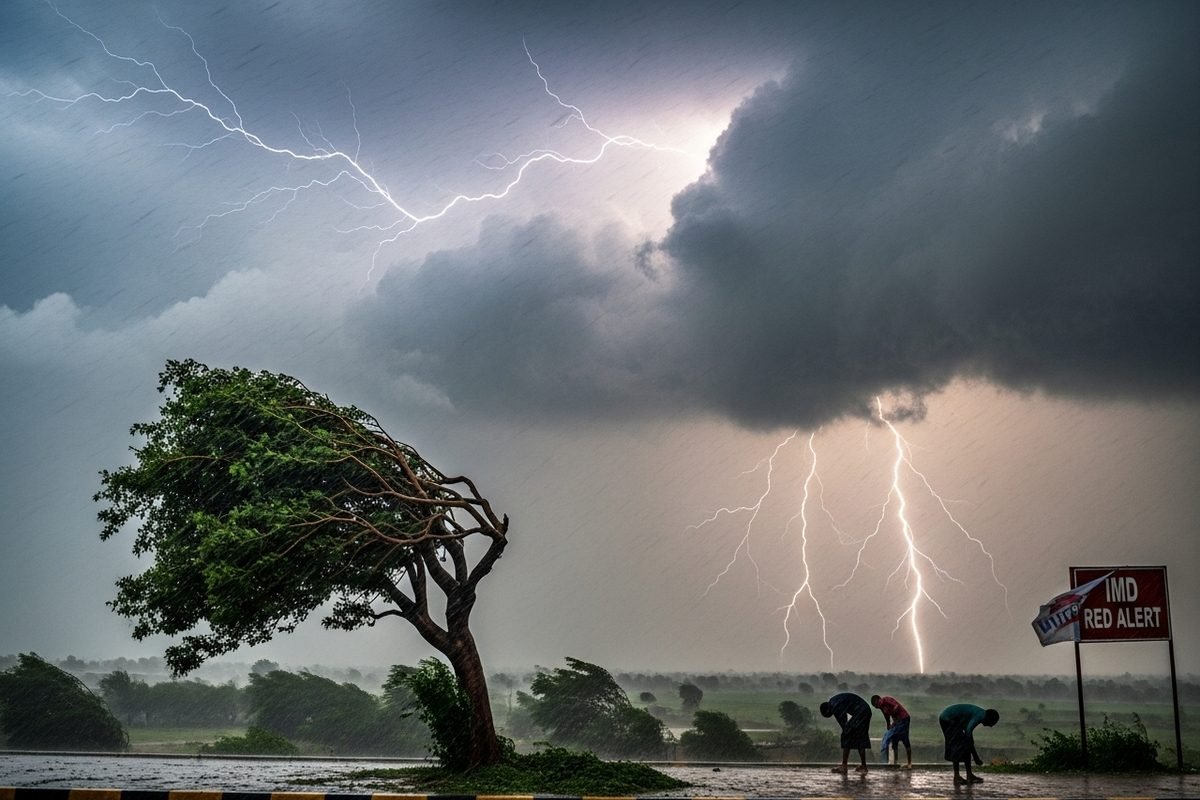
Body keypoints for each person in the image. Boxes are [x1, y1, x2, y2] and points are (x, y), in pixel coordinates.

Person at [938, 704, 999, 784]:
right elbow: (968, 733)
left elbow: (968, 734)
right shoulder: (980, 716)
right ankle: (957, 777)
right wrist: (976, 757)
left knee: (966, 746)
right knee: (956, 747)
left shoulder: (979, 714)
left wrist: (973, 752)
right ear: (989, 718)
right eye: (992, 723)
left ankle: (969, 775)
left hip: (953, 720)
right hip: (947, 720)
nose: (990, 726)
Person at [819, 692, 872, 774]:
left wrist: (846, 732)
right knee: (860, 737)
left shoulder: (835, 707)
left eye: (828, 715)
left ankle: (844, 766)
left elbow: (843, 722)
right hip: (865, 710)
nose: (830, 715)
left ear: (827, 710)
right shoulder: (833, 702)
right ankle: (863, 766)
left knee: (847, 737)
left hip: (860, 712)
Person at [871, 694, 912, 768]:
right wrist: (888, 724)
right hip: (897, 722)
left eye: (878, 703)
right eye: (876, 706)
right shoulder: (881, 707)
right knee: (894, 741)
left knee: (905, 739)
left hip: (903, 719)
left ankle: (909, 763)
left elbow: (896, 706)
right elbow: (886, 716)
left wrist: (893, 715)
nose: (878, 706)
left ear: (879, 699)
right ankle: (895, 762)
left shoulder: (886, 700)